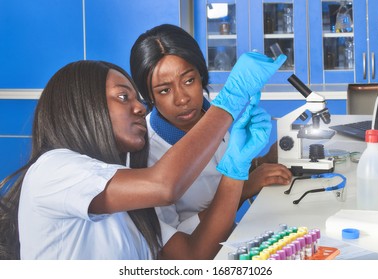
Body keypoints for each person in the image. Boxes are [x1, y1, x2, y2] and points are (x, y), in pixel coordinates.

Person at [0, 53, 285, 259]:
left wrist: (236, 170)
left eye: (138, 99)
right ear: (83, 107)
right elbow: (164, 186)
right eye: (124, 97)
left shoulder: (125, 184)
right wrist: (231, 101)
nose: (139, 108)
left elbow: (194, 257)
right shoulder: (54, 169)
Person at [130, 24, 292, 234]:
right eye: (164, 90)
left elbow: (220, 171)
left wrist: (262, 160)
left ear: (201, 77)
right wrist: (244, 188)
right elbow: (178, 244)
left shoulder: (211, 115)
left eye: (189, 80)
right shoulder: (147, 154)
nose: (182, 98)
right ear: (149, 96)